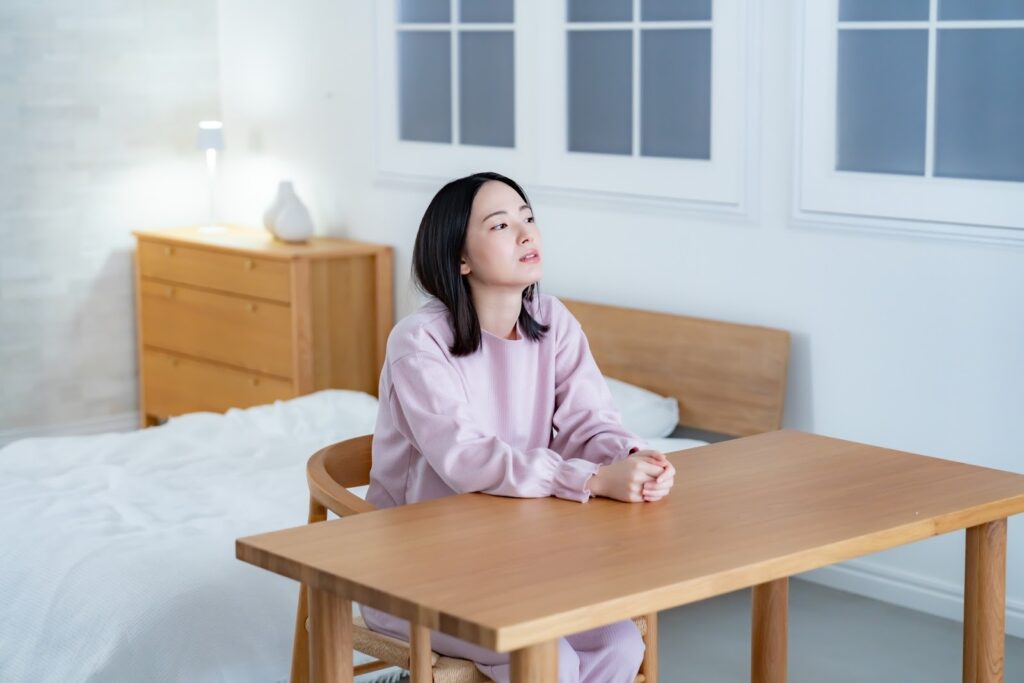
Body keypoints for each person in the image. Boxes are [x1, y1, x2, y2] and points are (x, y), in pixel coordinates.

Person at [361, 171, 677, 683]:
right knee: (552, 660)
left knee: (620, 642)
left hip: (518, 562)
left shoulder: (553, 322)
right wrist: (590, 480)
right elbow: (465, 457)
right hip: (414, 573)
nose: (527, 233)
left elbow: (591, 421)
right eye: (501, 224)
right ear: (459, 258)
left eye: (528, 218)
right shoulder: (419, 343)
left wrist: (634, 461)